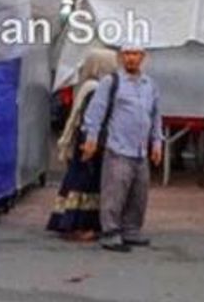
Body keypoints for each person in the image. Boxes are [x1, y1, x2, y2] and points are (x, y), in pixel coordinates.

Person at [82, 43, 163, 253]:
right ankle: (110, 232)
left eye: (135, 54)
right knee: (114, 192)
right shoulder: (111, 82)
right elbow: (96, 112)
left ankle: (131, 230)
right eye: (127, 54)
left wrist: (157, 142)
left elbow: (155, 116)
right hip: (118, 148)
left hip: (140, 150)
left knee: (139, 193)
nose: (131, 58)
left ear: (142, 57)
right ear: (121, 57)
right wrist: (91, 138)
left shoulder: (149, 85)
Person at [47, 48, 118, 241]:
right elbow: (92, 118)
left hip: (84, 140)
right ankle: (77, 226)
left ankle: (68, 222)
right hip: (89, 143)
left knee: (77, 181)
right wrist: (93, 142)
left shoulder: (87, 85)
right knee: (85, 184)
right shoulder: (96, 88)